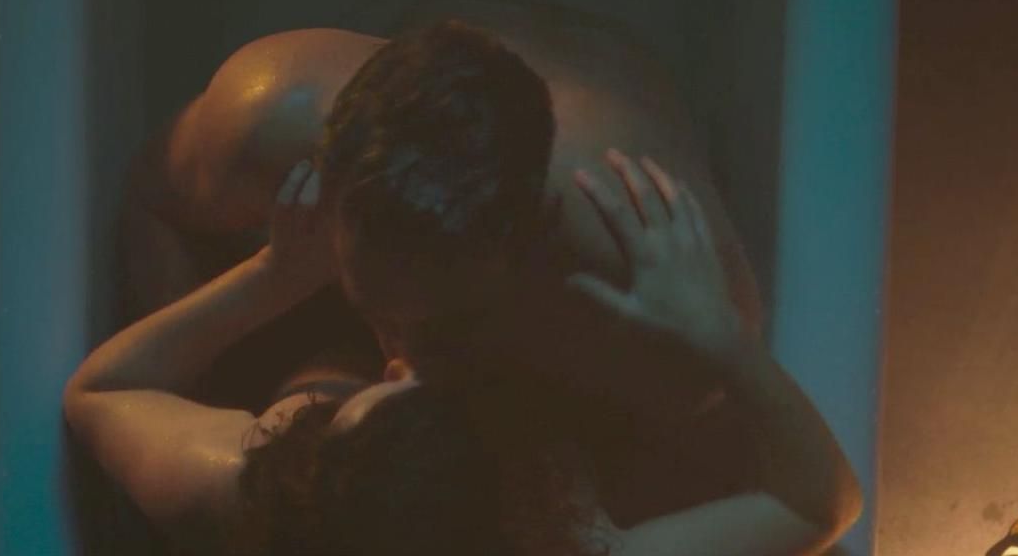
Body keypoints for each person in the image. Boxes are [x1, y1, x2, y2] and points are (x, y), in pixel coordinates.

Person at [65, 151, 863, 556]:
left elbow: (103, 391)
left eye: (393, 384)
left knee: (315, 388)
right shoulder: (573, 543)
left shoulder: (247, 490)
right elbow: (819, 505)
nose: (398, 359)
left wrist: (274, 277)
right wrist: (718, 336)